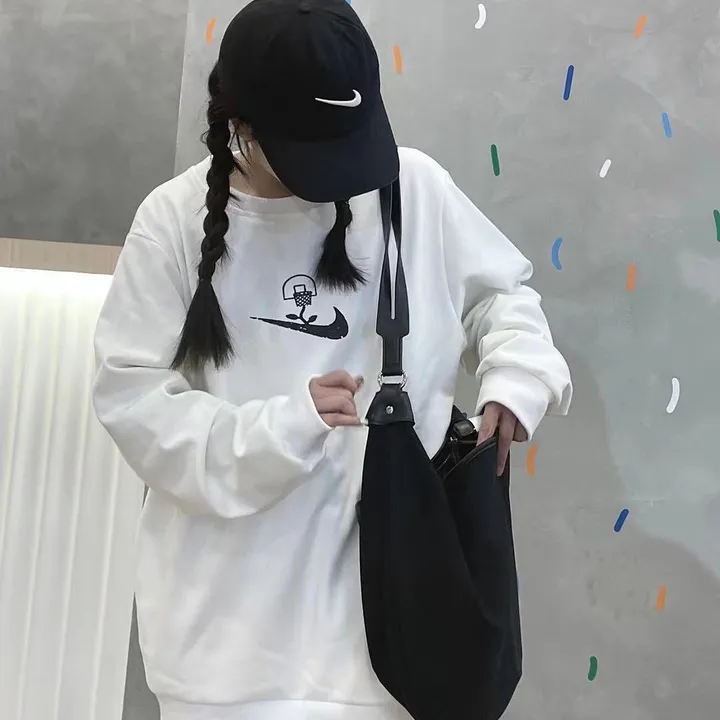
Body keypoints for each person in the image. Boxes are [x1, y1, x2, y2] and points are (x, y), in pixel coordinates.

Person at [92, 0, 572, 718]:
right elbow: (133, 403)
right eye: (312, 152)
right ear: (240, 125)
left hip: (390, 643)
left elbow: (502, 297)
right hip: (229, 649)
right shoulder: (173, 222)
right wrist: (283, 427)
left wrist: (518, 377)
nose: (340, 174)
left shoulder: (413, 189)